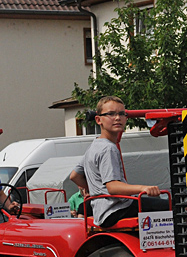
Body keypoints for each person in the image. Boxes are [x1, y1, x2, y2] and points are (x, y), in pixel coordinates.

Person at [69, 96, 170, 227]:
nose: (117, 118)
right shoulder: (108, 148)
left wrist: (96, 190)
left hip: (101, 211)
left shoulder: (93, 147)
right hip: (115, 210)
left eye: (121, 114)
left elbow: (74, 176)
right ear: (98, 120)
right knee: (173, 206)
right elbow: (112, 187)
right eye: (111, 114)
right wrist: (143, 188)